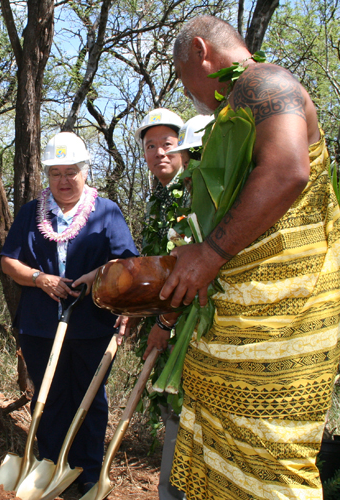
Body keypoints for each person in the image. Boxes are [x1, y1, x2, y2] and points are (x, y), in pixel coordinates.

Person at [163, 15, 340, 500]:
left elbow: (288, 170)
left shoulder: (265, 82)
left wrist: (212, 253)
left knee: (269, 445)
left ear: (202, 51)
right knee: (224, 426)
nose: (191, 94)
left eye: (186, 80)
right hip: (243, 306)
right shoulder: (235, 108)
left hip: (292, 306)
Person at [0, 131, 138, 494]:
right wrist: (39, 278)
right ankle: (49, 471)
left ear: (85, 172)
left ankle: (87, 475)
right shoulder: (32, 212)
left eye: (71, 172)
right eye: (55, 173)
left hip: (91, 325)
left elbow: (127, 260)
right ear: (47, 175)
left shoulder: (106, 211)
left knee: (89, 400)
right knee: (49, 399)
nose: (63, 181)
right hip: (40, 326)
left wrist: (96, 276)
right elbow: (8, 261)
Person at [136, 109, 210, 500]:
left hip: (192, 329)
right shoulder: (158, 200)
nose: (160, 153)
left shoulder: (194, 191)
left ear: (184, 151)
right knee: (173, 420)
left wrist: (163, 325)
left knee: (184, 421)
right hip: (167, 323)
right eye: (151, 146)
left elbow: (189, 272)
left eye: (168, 144)